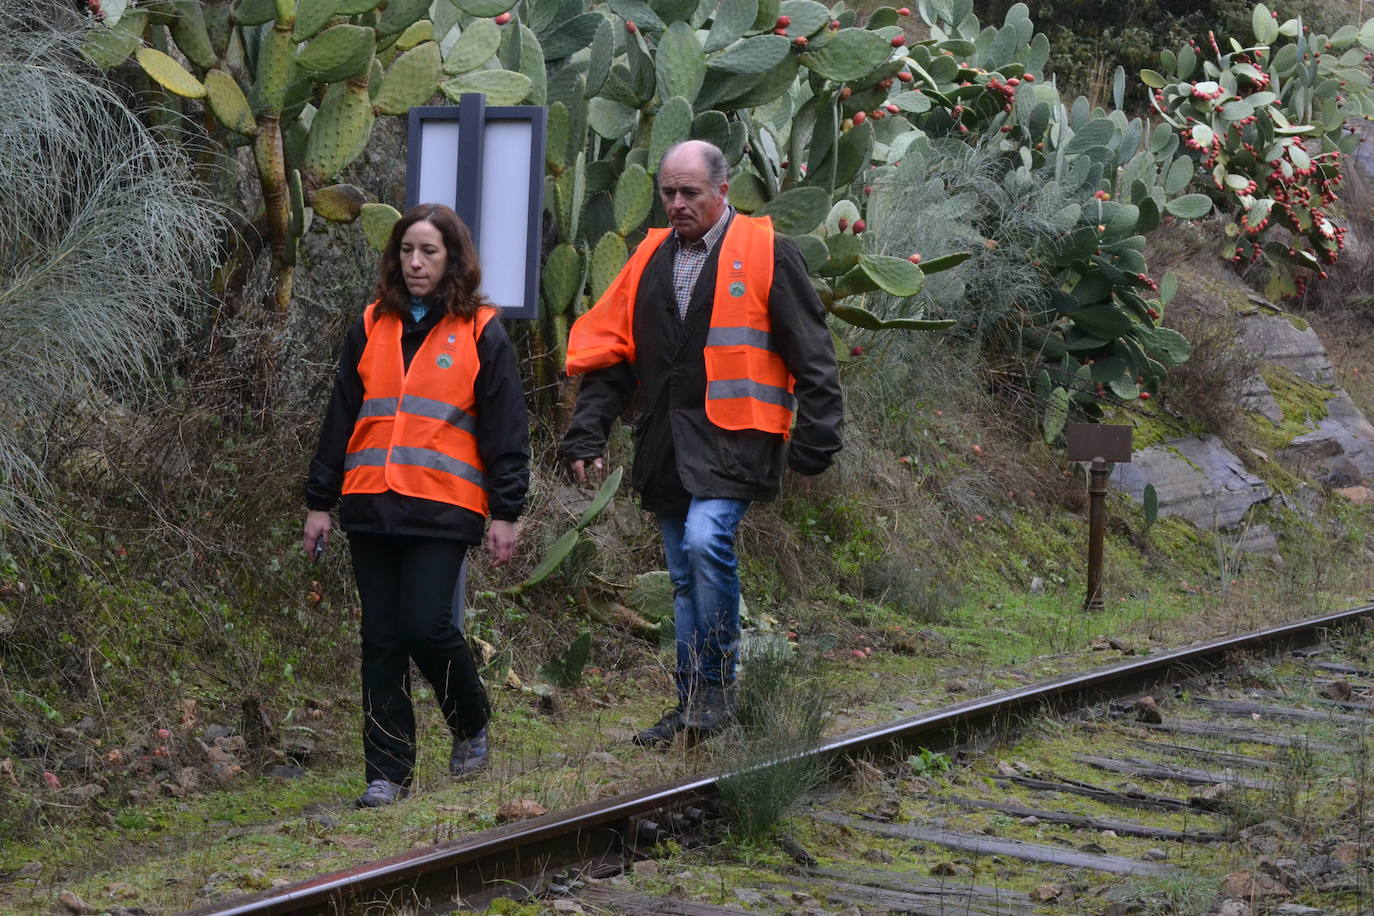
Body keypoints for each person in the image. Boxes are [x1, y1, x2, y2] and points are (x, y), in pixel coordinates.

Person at [560, 140, 843, 746]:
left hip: (737, 442)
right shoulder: (648, 259)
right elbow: (615, 359)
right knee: (684, 576)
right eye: (668, 192)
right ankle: (692, 702)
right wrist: (587, 429)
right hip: (665, 446)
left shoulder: (769, 253)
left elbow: (813, 353)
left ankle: (717, 691)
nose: (677, 203)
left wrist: (817, 437)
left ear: (722, 189)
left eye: (690, 192)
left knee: (704, 540)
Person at [303, 203, 530, 807]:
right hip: (370, 505)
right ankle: (387, 774)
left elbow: (507, 430)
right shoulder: (373, 322)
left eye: (429, 251)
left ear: (453, 258)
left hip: (444, 507)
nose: (416, 262)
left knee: (427, 626)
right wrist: (319, 501)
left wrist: (506, 512)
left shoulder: (482, 329)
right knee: (380, 639)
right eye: (407, 250)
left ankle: (470, 720)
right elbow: (341, 416)